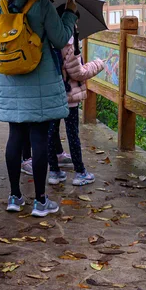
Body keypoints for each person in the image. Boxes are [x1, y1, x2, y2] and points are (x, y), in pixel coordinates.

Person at [0, 0, 78, 217]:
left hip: (8, 81)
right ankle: (40, 201)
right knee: (39, 137)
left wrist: (1, 80)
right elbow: (60, 40)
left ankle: (14, 197)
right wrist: (69, 13)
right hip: (40, 80)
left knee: (15, 136)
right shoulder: (41, 5)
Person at [47, 29, 105, 186]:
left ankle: (54, 172)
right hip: (69, 98)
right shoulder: (68, 45)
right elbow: (78, 73)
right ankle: (80, 172)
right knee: (73, 134)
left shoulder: (47, 40)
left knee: (51, 133)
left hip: (51, 97)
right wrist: (97, 64)